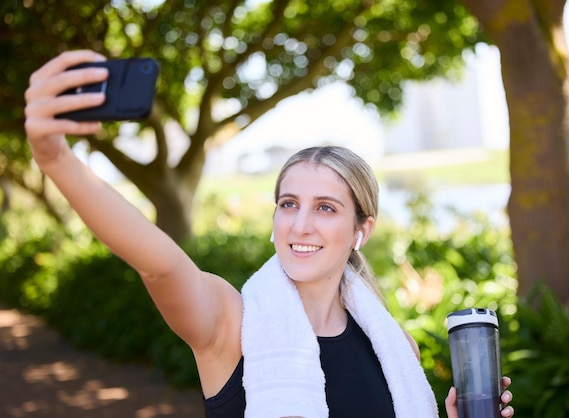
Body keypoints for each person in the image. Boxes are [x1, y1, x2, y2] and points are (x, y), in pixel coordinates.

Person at [24, 50, 514, 418]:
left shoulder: (395, 348)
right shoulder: (230, 325)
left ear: (361, 230)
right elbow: (160, 263)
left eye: (325, 208)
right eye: (288, 204)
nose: (301, 224)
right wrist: (56, 159)